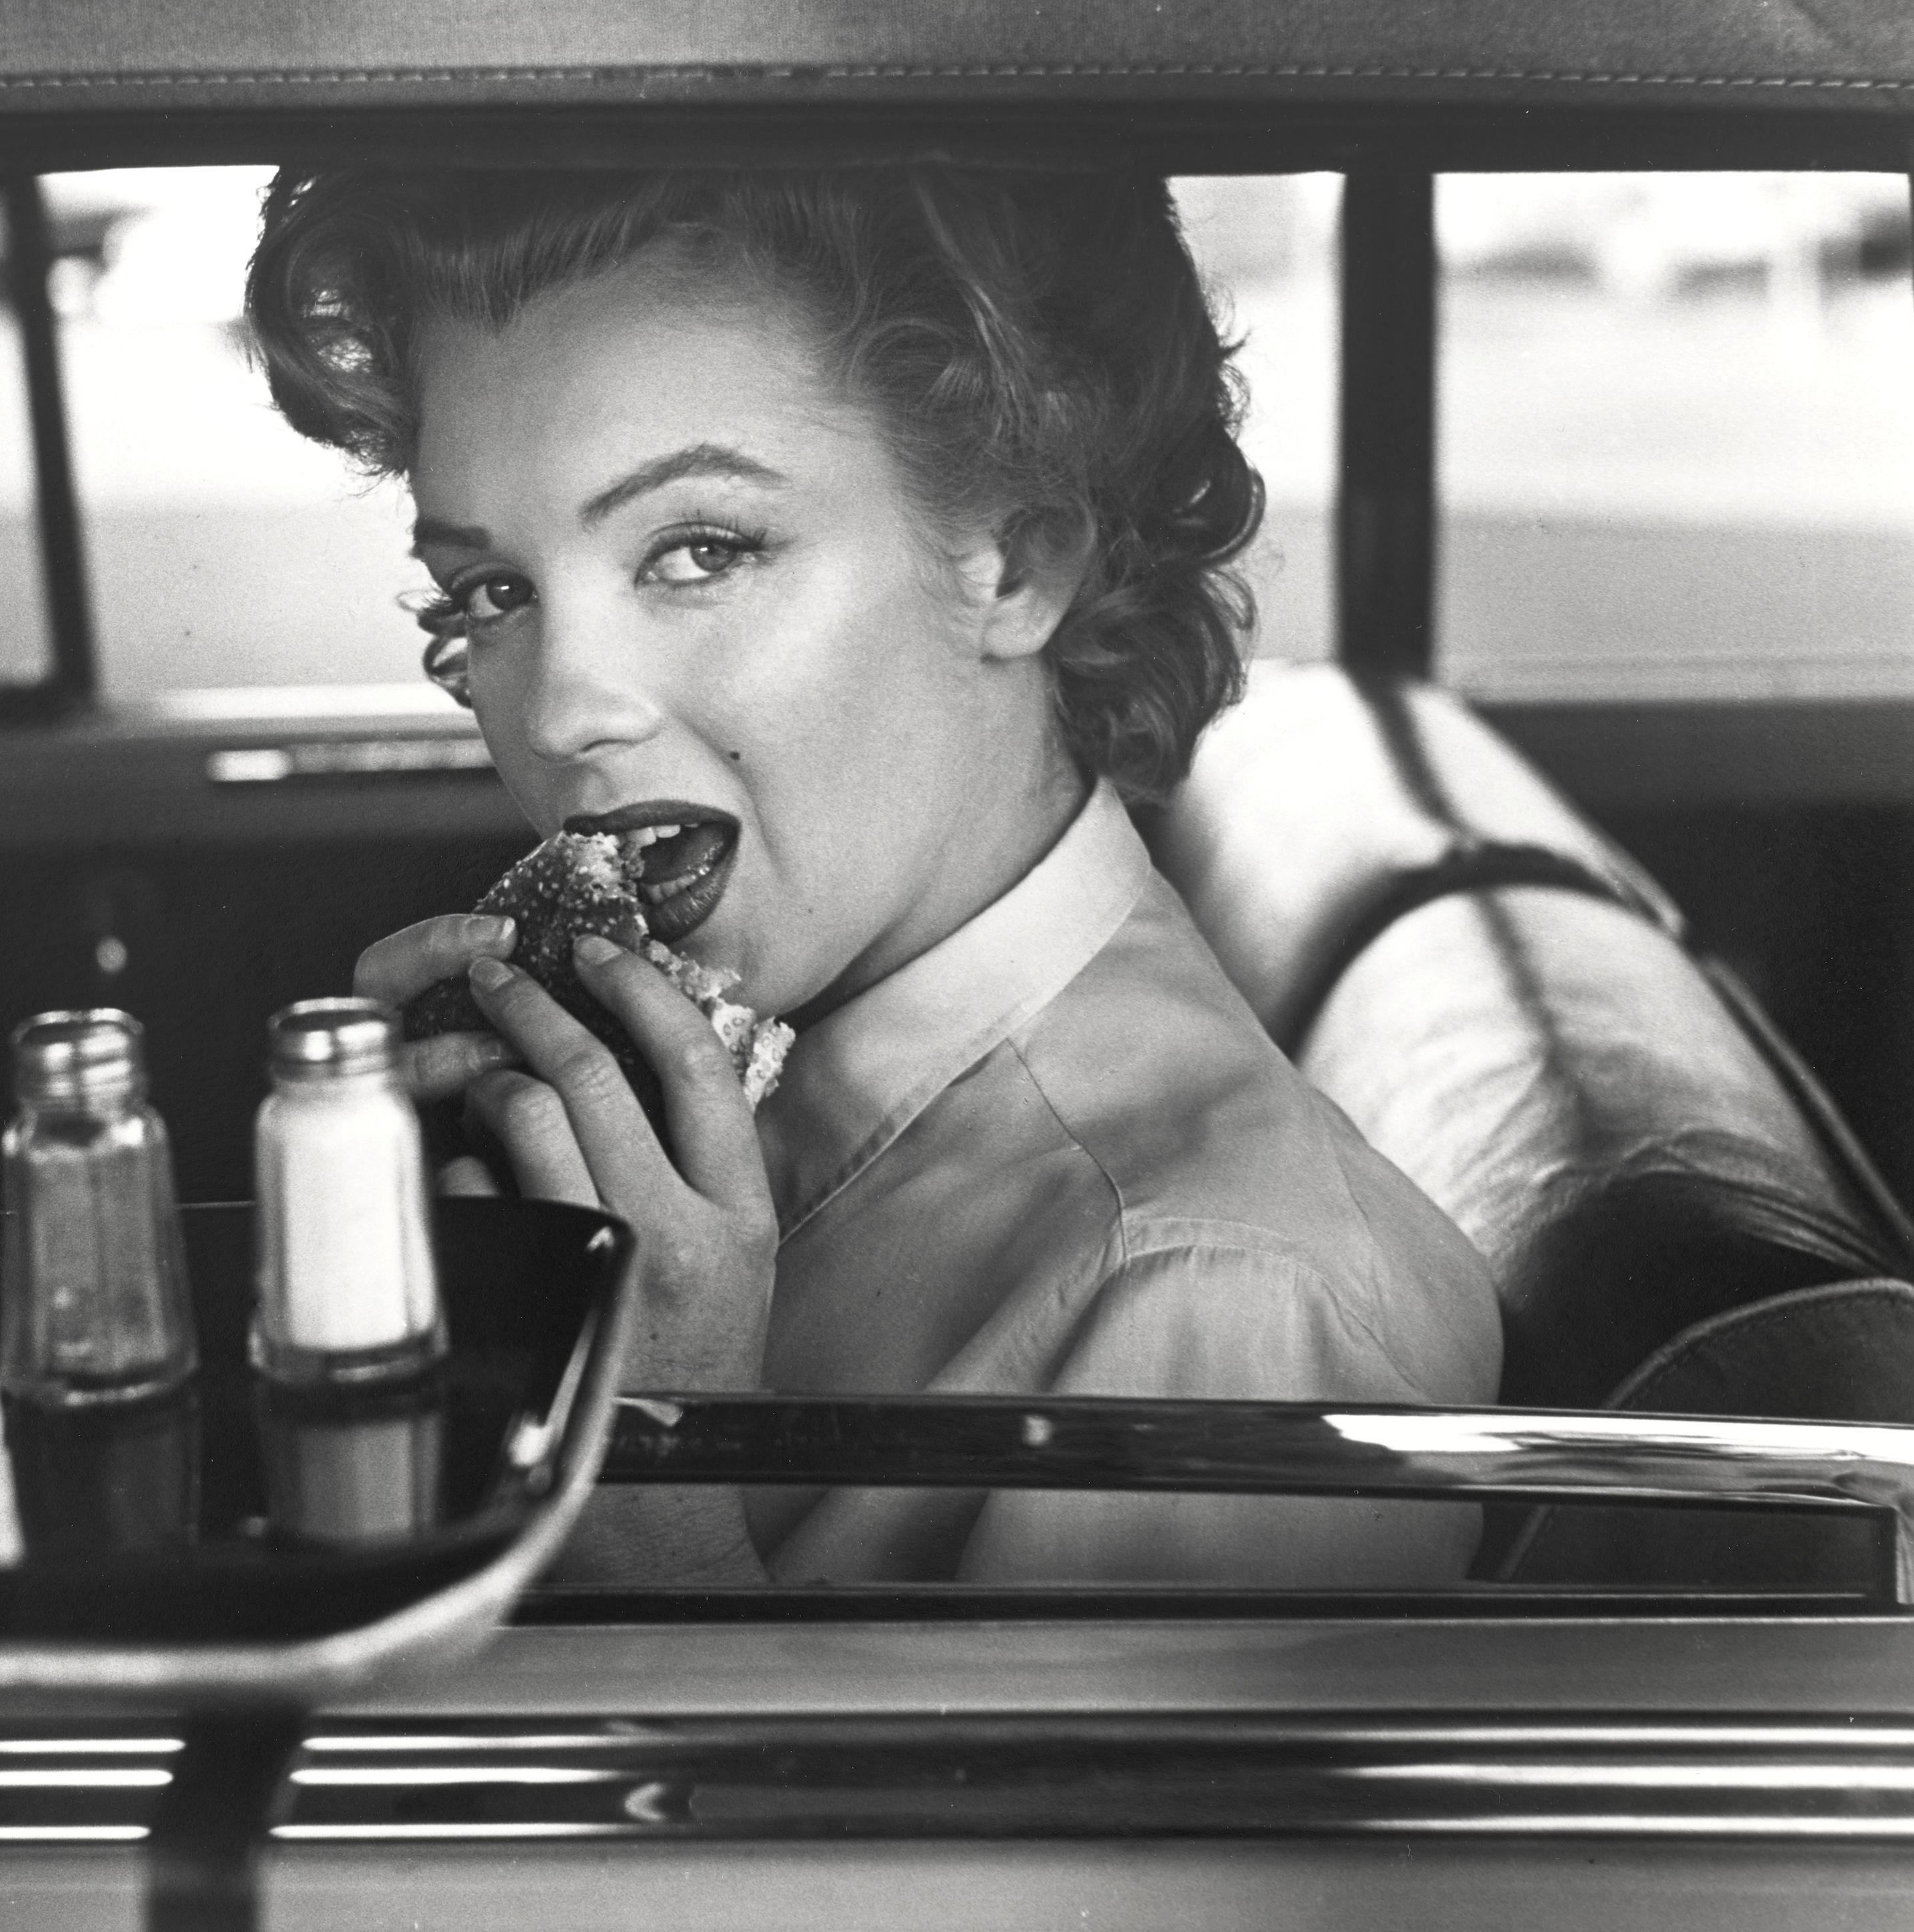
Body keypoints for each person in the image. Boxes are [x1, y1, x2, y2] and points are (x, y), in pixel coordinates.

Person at [246, 160, 1501, 1588]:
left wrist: (648, 1470)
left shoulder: (1222, 1305)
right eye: (497, 592)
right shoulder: (682, 1071)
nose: (557, 711)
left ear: (1016, 566)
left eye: (700, 550)